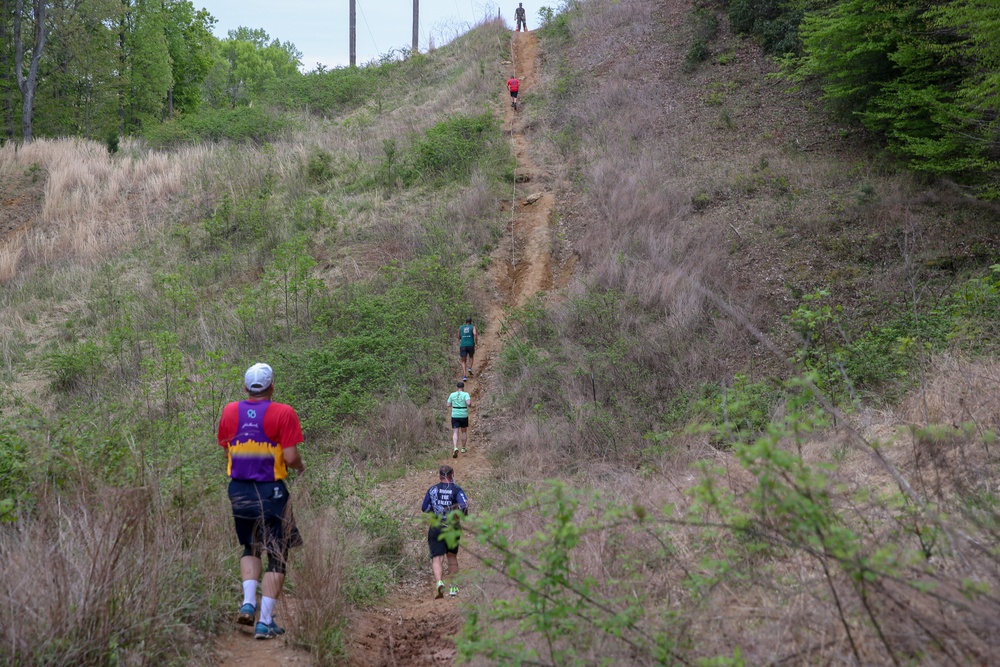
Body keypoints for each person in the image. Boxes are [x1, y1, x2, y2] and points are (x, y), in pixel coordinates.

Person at [218, 362, 306, 640]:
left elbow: (227, 450)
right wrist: (301, 468)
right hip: (272, 493)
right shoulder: (283, 412)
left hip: (239, 490)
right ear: (272, 387)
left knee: (250, 546)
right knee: (277, 554)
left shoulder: (230, 411)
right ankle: (265, 622)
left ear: (246, 387)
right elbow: (291, 458)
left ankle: (248, 603)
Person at [421, 465, 469, 598]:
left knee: (437, 558)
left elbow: (424, 508)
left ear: (440, 476)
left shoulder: (432, 490)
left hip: (436, 526)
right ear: (452, 475)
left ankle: (439, 582)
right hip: (452, 527)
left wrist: (434, 510)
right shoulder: (457, 490)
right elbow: (464, 507)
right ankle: (453, 587)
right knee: (452, 556)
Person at [447, 381, 472, 457]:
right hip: (463, 414)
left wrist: (453, 404)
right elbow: (468, 403)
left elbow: (448, 405)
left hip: (455, 414)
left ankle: (455, 447)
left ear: (457, 387)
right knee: (464, 431)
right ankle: (463, 448)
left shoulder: (452, 394)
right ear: (463, 387)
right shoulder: (466, 394)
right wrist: (470, 405)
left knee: (455, 432)